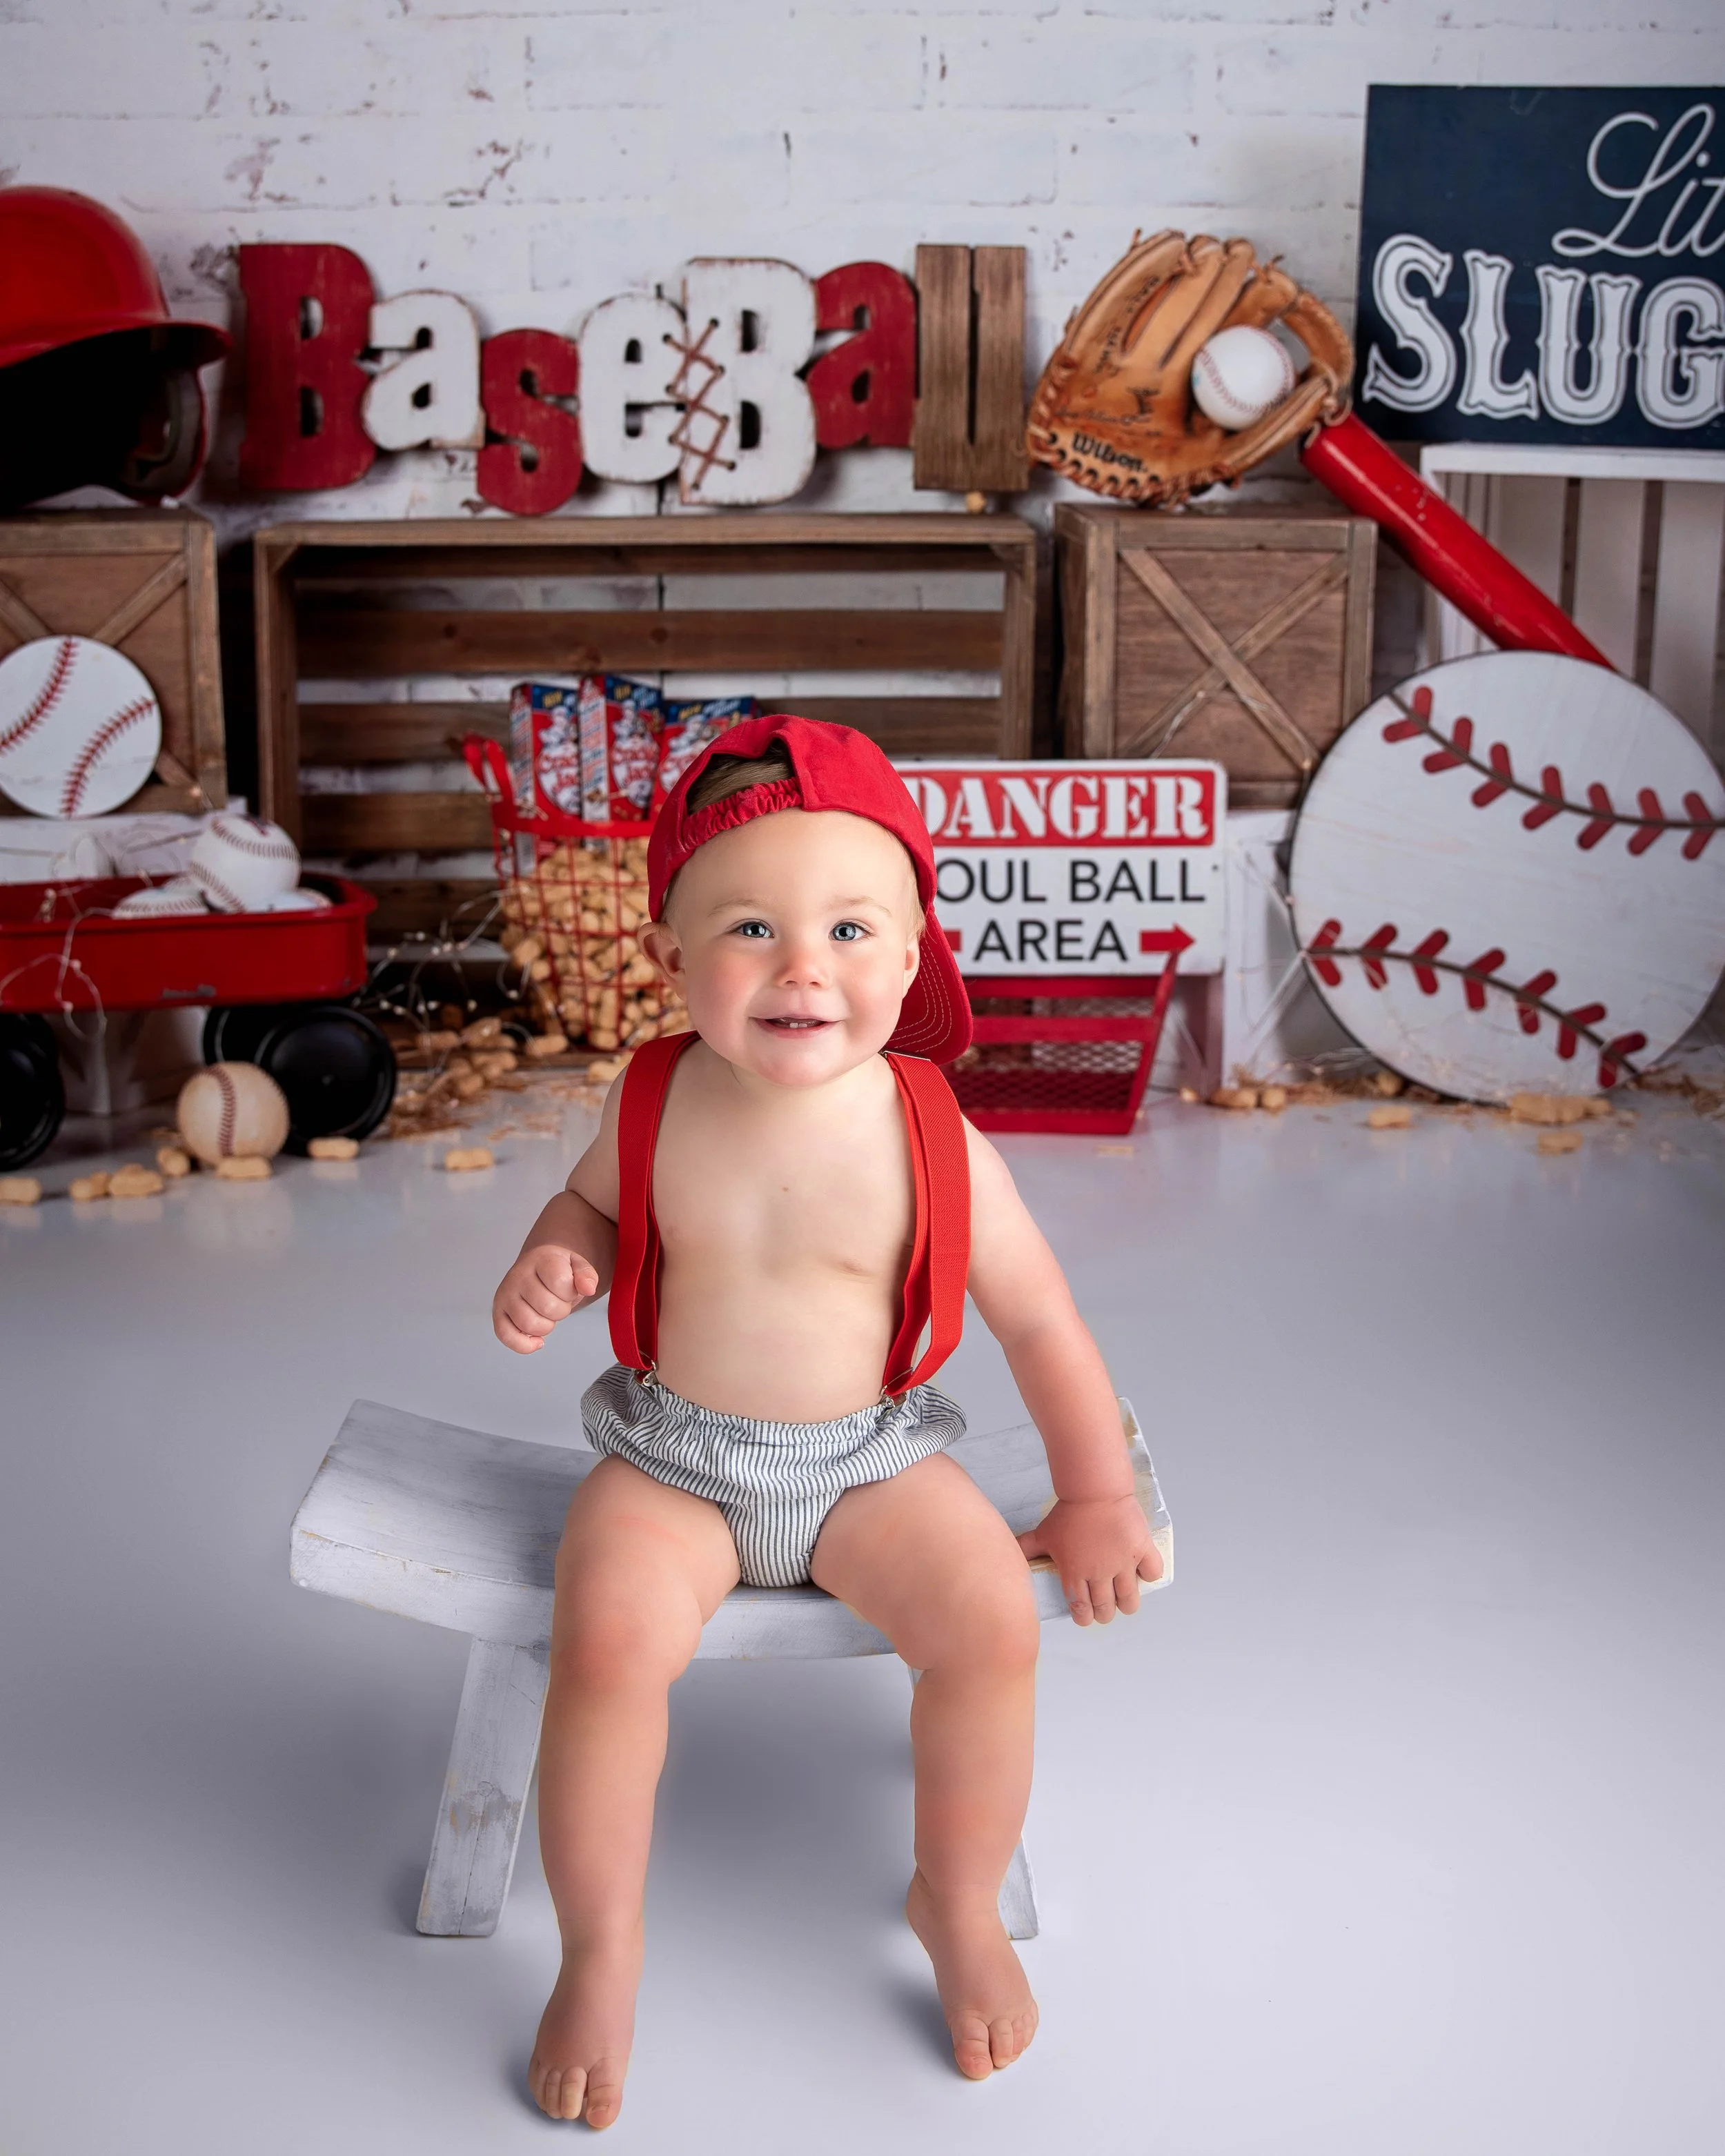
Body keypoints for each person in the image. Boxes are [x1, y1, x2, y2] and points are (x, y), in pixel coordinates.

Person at [492, 716, 1162, 2128]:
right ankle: (600, 1946)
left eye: (851, 926)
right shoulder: (652, 1094)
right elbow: (594, 1211)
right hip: (674, 1457)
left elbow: (1037, 1321)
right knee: (603, 1639)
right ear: (669, 962)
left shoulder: (932, 1132)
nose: (803, 965)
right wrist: (558, 1252)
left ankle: (955, 1895)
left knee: (984, 1621)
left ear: (913, 956)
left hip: (868, 1461)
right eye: (749, 925)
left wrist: (1093, 1490)